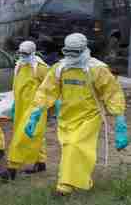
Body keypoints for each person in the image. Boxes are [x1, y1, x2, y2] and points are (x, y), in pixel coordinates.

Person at [24, 33, 128, 196]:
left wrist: (119, 119)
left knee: (75, 146)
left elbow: (112, 93)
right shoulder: (60, 68)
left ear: (84, 49)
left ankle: (64, 186)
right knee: (70, 149)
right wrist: (36, 112)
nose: (71, 56)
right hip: (66, 116)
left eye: (75, 52)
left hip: (89, 116)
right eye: (68, 52)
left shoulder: (97, 69)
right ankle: (83, 180)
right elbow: (47, 90)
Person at [0, 41, 50, 181]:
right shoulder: (19, 65)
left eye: (25, 53)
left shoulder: (40, 68)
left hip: (35, 108)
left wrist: (51, 105)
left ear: (33, 53)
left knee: (22, 137)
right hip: (21, 106)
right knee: (32, 135)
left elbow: (50, 87)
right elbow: (18, 86)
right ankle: (40, 162)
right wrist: (15, 103)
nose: (22, 55)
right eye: (20, 52)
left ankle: (12, 168)